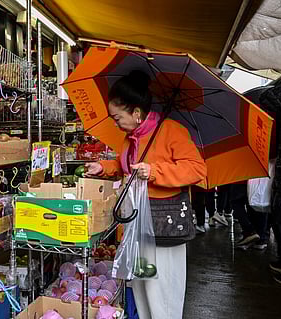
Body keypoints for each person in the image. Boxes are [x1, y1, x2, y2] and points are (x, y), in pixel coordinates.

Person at [85, 70, 207, 319]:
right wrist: (104, 167)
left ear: (136, 112)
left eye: (117, 117)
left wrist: (154, 171)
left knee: (162, 287)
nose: (115, 123)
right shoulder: (130, 139)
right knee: (142, 279)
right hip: (138, 227)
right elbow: (125, 167)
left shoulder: (171, 131)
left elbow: (197, 169)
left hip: (163, 226)